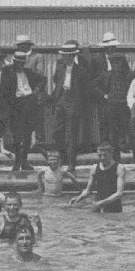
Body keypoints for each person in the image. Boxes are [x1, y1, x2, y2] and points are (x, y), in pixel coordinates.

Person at [46, 40, 94, 176]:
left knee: (71, 134)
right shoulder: (60, 66)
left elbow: (85, 89)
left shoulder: (81, 70)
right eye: (63, 55)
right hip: (61, 99)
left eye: (67, 56)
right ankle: (63, 156)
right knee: (56, 131)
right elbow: (57, 81)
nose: (64, 58)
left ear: (72, 56)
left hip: (73, 101)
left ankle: (72, 163)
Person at [94, 34, 134, 161]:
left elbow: (133, 85)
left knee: (127, 129)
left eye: (118, 62)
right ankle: (111, 154)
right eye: (114, 62)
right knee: (110, 130)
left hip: (124, 104)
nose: (116, 64)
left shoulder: (127, 74)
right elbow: (93, 83)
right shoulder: (101, 66)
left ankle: (133, 155)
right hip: (110, 103)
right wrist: (104, 95)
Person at [8, 43, 46, 173]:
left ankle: (24, 162)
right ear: (14, 61)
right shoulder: (7, 72)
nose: (20, 65)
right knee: (17, 137)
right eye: (18, 62)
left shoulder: (28, 72)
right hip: (16, 105)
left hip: (29, 104)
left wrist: (35, 92)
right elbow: (2, 90)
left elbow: (43, 79)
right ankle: (17, 162)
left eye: (22, 62)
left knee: (27, 135)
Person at [72, 142, 125, 213]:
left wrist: (101, 203)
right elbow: (88, 191)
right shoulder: (94, 168)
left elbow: (119, 193)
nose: (102, 158)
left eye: (105, 155)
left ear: (111, 153)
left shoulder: (119, 168)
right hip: (97, 205)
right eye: (100, 156)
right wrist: (78, 198)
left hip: (113, 207)